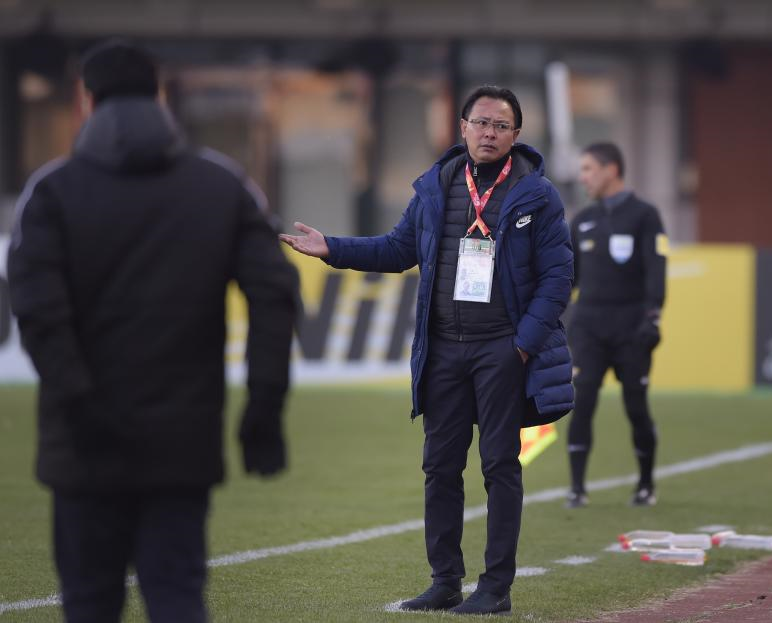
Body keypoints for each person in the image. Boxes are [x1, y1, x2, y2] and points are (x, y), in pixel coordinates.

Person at [7, 39, 299, 623]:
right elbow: (274, 294)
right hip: (181, 441)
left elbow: (39, 311)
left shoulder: (53, 190)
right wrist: (263, 407)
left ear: (87, 100)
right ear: (159, 96)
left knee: (89, 605)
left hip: (82, 445)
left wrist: (78, 401)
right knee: (176, 599)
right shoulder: (220, 185)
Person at [280, 86, 573, 616]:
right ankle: (445, 581)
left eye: (500, 125)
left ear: (515, 135)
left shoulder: (538, 195)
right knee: (439, 467)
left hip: (501, 349)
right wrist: (333, 249)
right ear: (462, 127)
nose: (489, 133)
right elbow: (397, 249)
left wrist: (522, 347)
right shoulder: (436, 186)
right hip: (443, 350)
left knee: (499, 466)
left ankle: (496, 588)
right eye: (480, 122)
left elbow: (558, 278)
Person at [565, 142, 667, 509]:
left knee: (636, 405)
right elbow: (568, 278)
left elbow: (656, 268)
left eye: (588, 169)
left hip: (631, 327)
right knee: (582, 400)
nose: (583, 178)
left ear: (611, 170)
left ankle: (645, 484)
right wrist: (559, 318)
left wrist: (652, 316)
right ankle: (577, 488)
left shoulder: (645, 216)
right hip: (588, 327)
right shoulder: (582, 220)